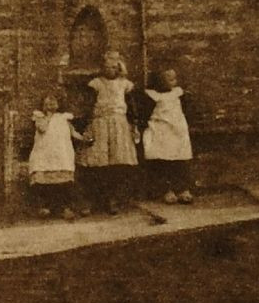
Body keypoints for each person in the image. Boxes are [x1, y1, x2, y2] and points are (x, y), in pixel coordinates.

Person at [78, 51, 139, 214]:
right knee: (98, 162)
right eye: (106, 67)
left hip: (119, 125)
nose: (110, 70)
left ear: (118, 68)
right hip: (100, 124)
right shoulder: (96, 84)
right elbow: (88, 106)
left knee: (117, 162)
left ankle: (114, 200)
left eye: (113, 67)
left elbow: (132, 107)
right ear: (101, 67)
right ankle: (95, 199)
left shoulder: (124, 84)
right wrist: (86, 125)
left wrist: (135, 125)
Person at [142, 68, 194, 204]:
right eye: (169, 79)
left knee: (180, 161)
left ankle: (182, 189)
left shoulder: (178, 93)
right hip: (161, 130)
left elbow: (186, 109)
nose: (174, 82)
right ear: (159, 81)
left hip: (177, 131)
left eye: (174, 79)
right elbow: (146, 114)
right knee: (162, 161)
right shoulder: (153, 96)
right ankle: (166, 189)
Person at [27, 94, 81, 219]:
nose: (50, 105)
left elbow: (73, 132)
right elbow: (42, 129)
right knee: (44, 182)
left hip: (61, 154)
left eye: (53, 102)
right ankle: (46, 207)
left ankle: (65, 208)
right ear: (42, 106)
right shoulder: (39, 118)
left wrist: (84, 138)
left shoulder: (64, 118)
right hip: (45, 154)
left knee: (63, 182)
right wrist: (48, 116)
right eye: (47, 103)